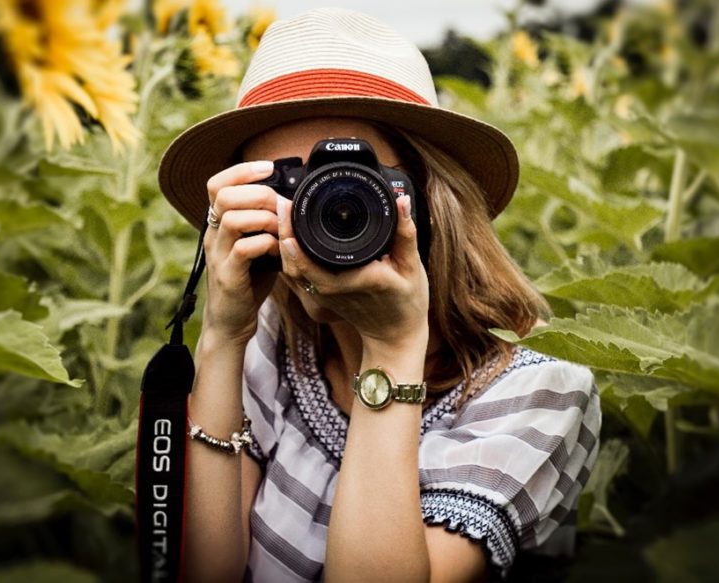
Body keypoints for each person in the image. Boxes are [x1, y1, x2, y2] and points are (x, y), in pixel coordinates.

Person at [158, 8, 601, 583]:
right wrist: (222, 335)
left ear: (429, 198)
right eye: (290, 184)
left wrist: (392, 346)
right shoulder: (274, 336)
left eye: (353, 183)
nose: (323, 211)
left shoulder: (542, 394)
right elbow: (205, 573)